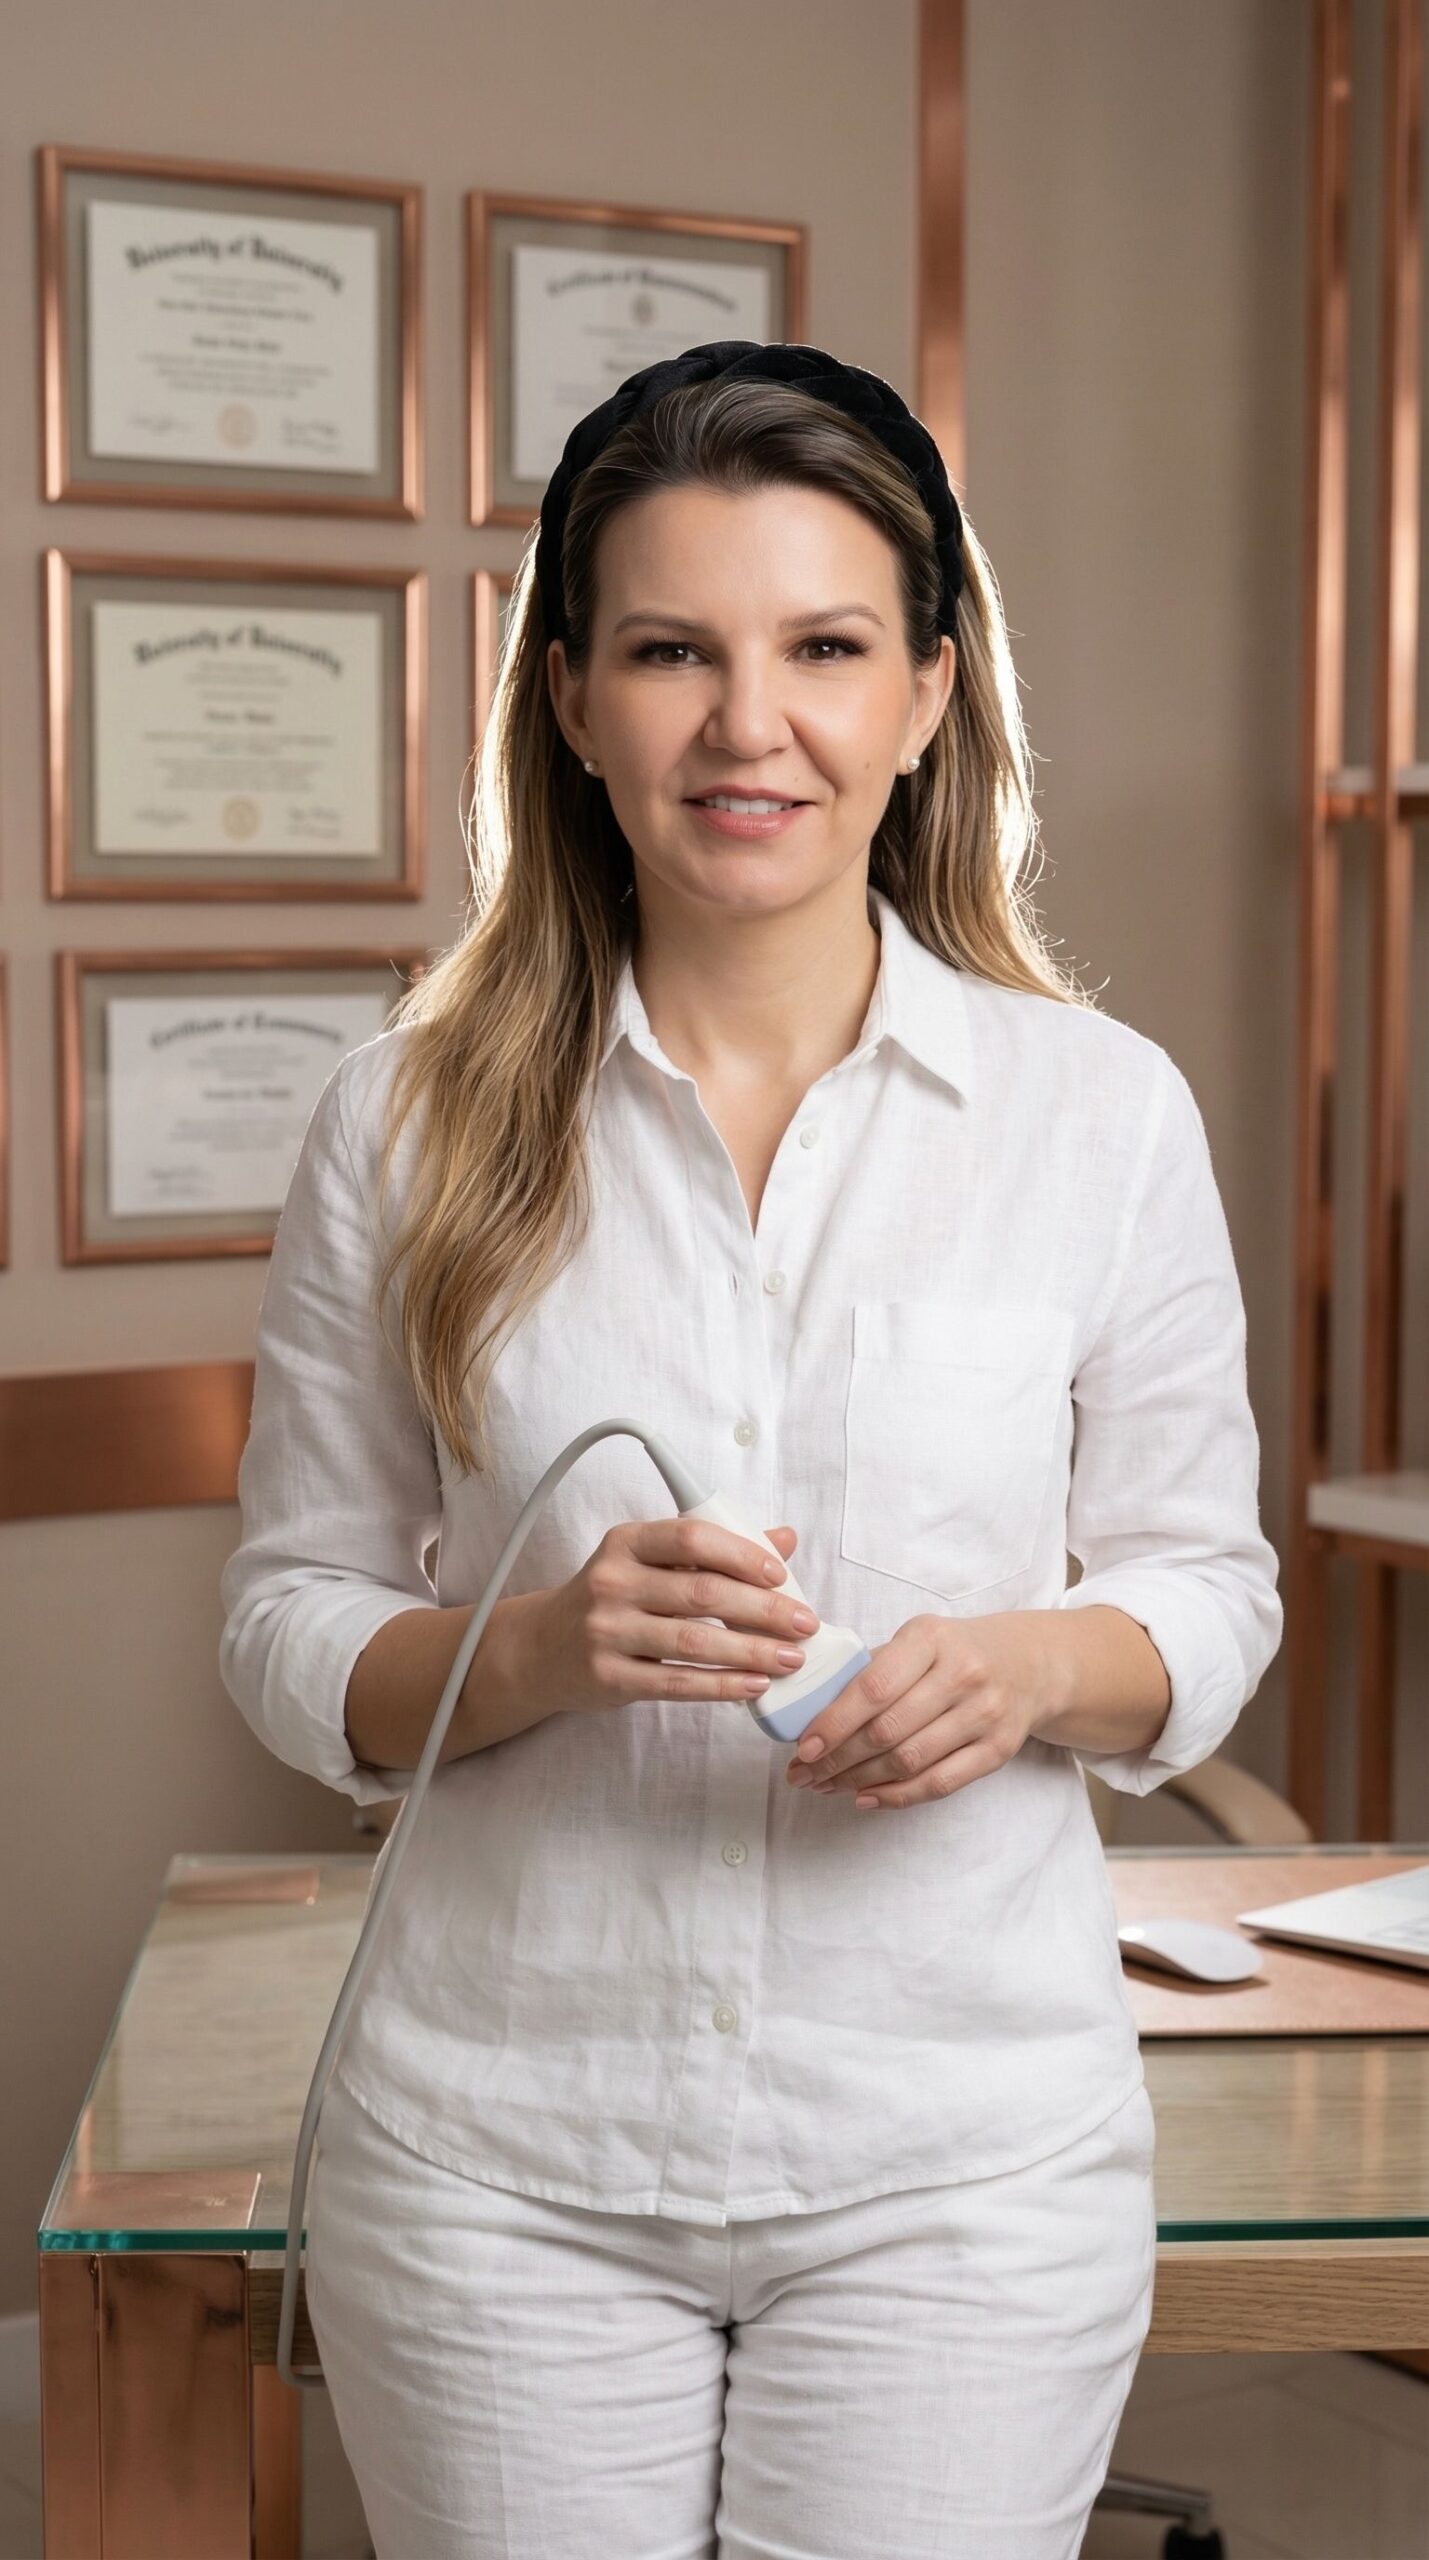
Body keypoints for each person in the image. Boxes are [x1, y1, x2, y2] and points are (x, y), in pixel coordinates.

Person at [219, 340, 1282, 2559]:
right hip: (497, 2162)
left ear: (925, 691)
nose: (746, 724)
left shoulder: (1098, 1118)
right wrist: (530, 1650)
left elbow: (1205, 1584)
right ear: (569, 698)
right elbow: (287, 1618)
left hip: (959, 2167)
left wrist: (1025, 1667)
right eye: (669, 651)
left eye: (821, 647)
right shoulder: (396, 1122)